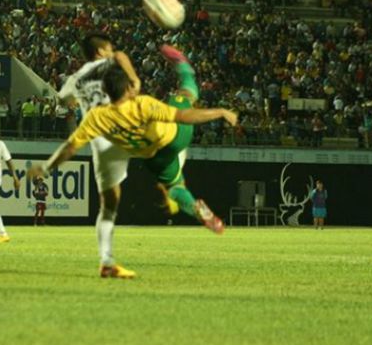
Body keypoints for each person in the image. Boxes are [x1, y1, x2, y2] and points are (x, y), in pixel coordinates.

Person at [28, 45, 239, 278]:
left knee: (175, 186)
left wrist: (47, 167)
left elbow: (70, 148)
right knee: (186, 96)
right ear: (128, 88)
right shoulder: (142, 104)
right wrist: (219, 112)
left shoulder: (98, 118)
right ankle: (185, 68)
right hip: (177, 136)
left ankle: (199, 212)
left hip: (153, 157)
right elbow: (185, 116)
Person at [54, 32, 141, 278]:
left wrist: (74, 101)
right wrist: (134, 80)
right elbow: (122, 57)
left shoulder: (76, 77)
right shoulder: (110, 63)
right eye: (109, 47)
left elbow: (62, 98)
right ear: (101, 51)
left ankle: (106, 261)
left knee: (109, 203)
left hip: (97, 140)